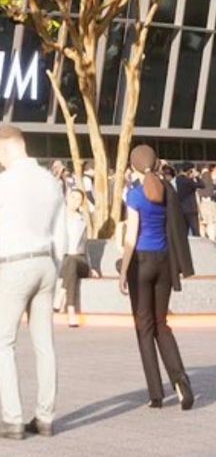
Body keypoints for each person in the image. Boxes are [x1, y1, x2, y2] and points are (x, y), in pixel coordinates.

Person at [0, 125, 66, 440]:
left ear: (4, 148)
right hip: (46, 262)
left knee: (3, 342)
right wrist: (57, 273)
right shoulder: (50, 181)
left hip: (17, 265)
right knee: (44, 344)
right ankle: (45, 417)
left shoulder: (3, 181)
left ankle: (13, 418)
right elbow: (61, 232)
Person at [119, 145, 195, 410]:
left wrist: (122, 273)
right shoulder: (167, 190)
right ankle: (181, 383)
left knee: (145, 328)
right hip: (164, 262)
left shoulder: (135, 195)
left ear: (133, 166)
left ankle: (156, 394)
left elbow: (131, 238)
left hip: (141, 262)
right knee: (162, 324)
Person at [56, 189, 99, 328]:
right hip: (62, 261)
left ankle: (63, 297)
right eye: (73, 197)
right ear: (67, 198)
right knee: (70, 263)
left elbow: (84, 247)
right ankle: (70, 311)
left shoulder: (82, 221)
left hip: (80, 261)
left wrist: (92, 268)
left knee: (73, 260)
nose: (75, 201)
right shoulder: (57, 218)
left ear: (81, 203)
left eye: (78, 199)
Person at [173, 164, 203, 237]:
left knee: (184, 232)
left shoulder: (178, 179)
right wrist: (197, 177)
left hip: (182, 208)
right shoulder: (188, 181)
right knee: (195, 232)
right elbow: (202, 185)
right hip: (191, 208)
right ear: (190, 170)